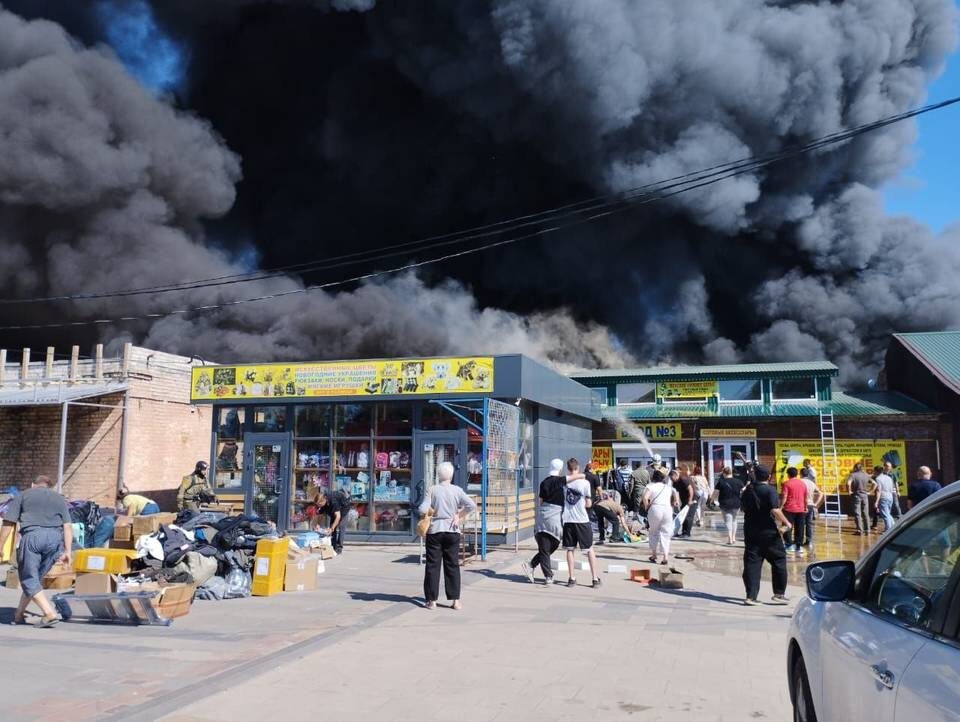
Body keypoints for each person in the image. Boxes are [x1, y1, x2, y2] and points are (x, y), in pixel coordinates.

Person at [0, 475, 73, 627]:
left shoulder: (23, 495)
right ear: (49, 487)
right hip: (54, 539)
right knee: (35, 578)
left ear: (33, 484)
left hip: (33, 537)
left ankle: (49, 613)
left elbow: (8, 523)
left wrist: (0, 546)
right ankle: (19, 614)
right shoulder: (59, 498)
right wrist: (68, 551)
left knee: (29, 578)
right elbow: (67, 526)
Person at [418, 462, 476, 609]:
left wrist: (429, 511)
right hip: (452, 530)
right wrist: (459, 515)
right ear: (451, 475)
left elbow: (422, 508)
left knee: (433, 565)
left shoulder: (432, 489)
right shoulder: (457, 490)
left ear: (438, 475)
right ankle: (455, 600)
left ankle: (432, 601)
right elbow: (471, 505)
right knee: (452, 565)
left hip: (435, 530)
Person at [523, 459, 584, 584]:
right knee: (550, 545)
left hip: (544, 515)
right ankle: (548, 576)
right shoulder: (560, 481)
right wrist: (585, 475)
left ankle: (531, 565)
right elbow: (575, 476)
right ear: (560, 469)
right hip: (555, 516)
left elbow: (540, 501)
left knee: (548, 546)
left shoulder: (544, 482)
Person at [740, 465, 792, 606]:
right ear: (768, 476)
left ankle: (751, 597)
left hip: (750, 530)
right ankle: (779, 594)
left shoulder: (748, 490)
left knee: (752, 563)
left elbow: (742, 507)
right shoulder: (770, 490)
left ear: (755, 475)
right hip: (768, 531)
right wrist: (787, 522)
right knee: (779, 560)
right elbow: (775, 509)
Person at [562, 458, 601, 588]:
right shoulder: (584, 483)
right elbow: (588, 503)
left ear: (568, 468)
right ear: (577, 467)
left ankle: (572, 578)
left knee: (570, 549)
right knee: (589, 549)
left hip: (568, 520)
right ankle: (595, 579)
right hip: (582, 520)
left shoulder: (564, 483)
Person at [642, 469, 680, 565]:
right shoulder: (667, 487)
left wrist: (647, 507)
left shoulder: (650, 486)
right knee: (666, 533)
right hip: (667, 510)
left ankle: (654, 555)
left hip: (655, 509)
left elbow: (645, 497)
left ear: (653, 477)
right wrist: (676, 501)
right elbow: (675, 492)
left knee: (654, 532)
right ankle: (665, 556)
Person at [710, 466, 743, 545]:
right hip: (736, 504)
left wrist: (711, 500)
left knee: (728, 521)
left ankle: (730, 539)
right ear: (731, 472)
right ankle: (734, 537)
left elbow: (715, 493)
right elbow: (742, 491)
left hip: (725, 504)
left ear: (724, 473)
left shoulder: (721, 482)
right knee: (734, 520)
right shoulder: (738, 481)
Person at [780, 467, 808, 555]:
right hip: (801, 509)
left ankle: (789, 545)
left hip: (789, 508)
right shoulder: (803, 484)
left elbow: (784, 496)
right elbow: (806, 498)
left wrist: (780, 507)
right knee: (800, 528)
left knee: (787, 527)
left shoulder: (786, 483)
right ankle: (798, 546)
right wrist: (805, 507)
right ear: (797, 474)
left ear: (788, 474)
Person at [313, 488, 348, 555]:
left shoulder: (333, 501)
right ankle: (332, 545)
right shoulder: (322, 503)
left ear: (323, 501)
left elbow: (338, 516)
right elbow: (320, 515)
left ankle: (339, 548)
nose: (318, 506)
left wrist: (332, 528)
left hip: (344, 508)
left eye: (319, 505)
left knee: (341, 527)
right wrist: (318, 525)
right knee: (332, 525)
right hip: (333, 510)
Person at [800, 467, 823, 550]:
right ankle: (809, 541)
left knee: (801, 524)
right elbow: (821, 493)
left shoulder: (800, 482)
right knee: (809, 524)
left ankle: (799, 541)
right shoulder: (812, 483)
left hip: (802, 505)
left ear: (801, 474)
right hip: (811, 505)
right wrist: (816, 504)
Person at [846, 463, 871, 535]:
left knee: (858, 513)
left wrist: (849, 491)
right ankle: (867, 530)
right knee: (866, 513)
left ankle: (859, 530)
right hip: (865, 495)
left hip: (857, 495)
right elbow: (874, 483)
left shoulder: (853, 475)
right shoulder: (866, 475)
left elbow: (848, 483)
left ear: (855, 468)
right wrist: (870, 491)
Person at [672, 468, 695, 537]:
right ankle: (683, 532)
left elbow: (691, 490)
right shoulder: (675, 482)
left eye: (672, 478)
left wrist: (690, 500)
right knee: (683, 515)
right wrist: (676, 500)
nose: (672, 479)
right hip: (684, 499)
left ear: (676, 475)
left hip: (692, 498)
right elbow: (676, 492)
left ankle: (687, 533)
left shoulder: (683, 480)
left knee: (688, 516)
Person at [872, 465, 896, 532]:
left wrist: (876, 502)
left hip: (883, 497)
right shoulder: (889, 478)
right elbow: (892, 488)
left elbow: (878, 490)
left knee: (885, 515)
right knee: (888, 513)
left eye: (874, 471)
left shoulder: (878, 479)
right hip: (890, 496)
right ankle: (894, 527)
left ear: (876, 471)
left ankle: (888, 530)